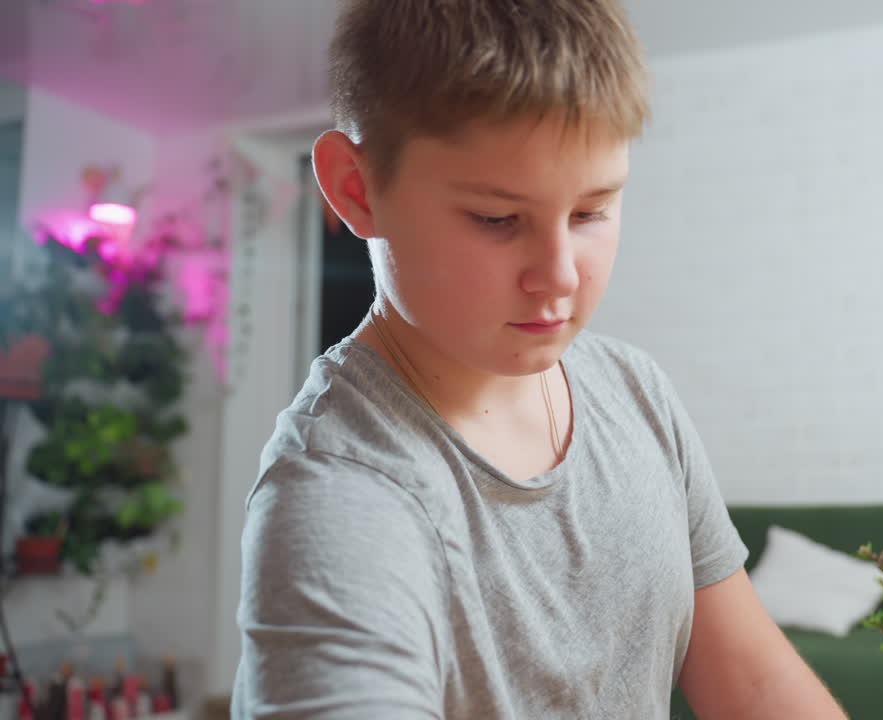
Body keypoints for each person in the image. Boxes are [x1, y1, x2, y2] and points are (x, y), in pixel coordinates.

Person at [232, 1, 848, 717]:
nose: (560, 276)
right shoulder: (340, 499)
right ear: (356, 189)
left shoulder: (635, 391)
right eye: (498, 219)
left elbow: (755, 683)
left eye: (591, 212)